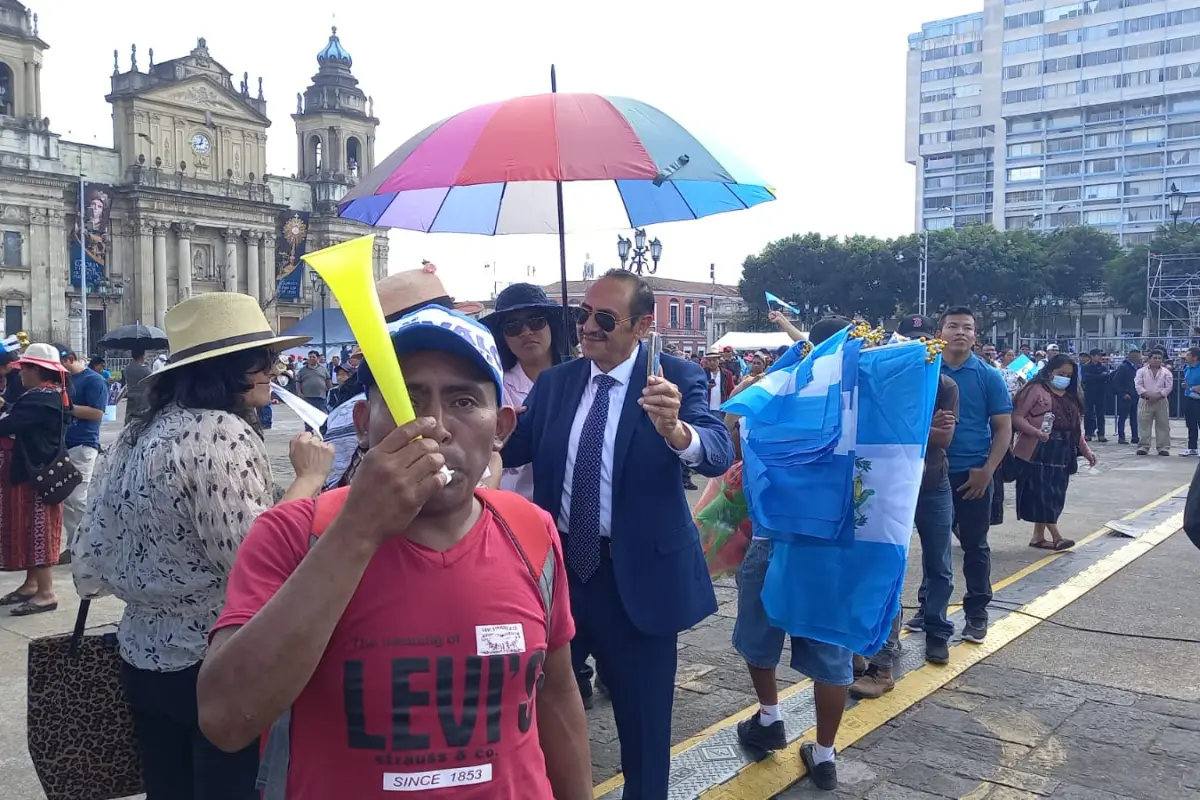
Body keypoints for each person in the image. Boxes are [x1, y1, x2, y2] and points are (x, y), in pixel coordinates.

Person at [198, 305, 593, 800]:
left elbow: (555, 694)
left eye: (465, 401)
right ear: (363, 423)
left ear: (503, 428)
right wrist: (358, 531)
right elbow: (226, 719)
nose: (434, 425)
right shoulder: (293, 534)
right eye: (407, 397)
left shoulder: (528, 529)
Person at [73, 293, 333, 800]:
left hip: (141, 652)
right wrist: (309, 480)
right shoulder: (220, 434)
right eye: (264, 360)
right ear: (231, 368)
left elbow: (94, 547)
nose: (275, 370)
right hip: (213, 658)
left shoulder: (140, 431)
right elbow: (255, 558)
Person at [502, 269, 734, 799]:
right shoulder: (558, 382)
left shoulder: (670, 378)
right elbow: (516, 447)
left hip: (638, 578)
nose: (588, 328)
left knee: (644, 729)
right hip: (559, 574)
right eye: (583, 315)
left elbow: (718, 451)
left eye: (605, 319)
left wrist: (677, 432)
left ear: (642, 325)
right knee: (536, 709)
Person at [851, 314, 959, 706]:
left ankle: (936, 635)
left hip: (930, 485)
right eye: (910, 340)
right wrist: (913, 431)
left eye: (924, 340)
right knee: (884, 570)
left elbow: (941, 439)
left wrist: (898, 432)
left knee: (939, 565)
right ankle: (880, 660)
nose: (917, 347)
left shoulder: (944, 385)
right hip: (886, 487)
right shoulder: (880, 381)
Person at [322, 267, 481, 490]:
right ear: (363, 422)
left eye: (463, 402)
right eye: (411, 402)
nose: (439, 428)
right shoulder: (355, 415)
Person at [910, 307, 1011, 645]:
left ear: (975, 335)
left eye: (967, 327)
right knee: (933, 547)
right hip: (929, 474)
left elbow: (1002, 429)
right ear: (940, 332)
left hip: (972, 473)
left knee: (975, 546)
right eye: (952, 326)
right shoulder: (926, 370)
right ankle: (928, 608)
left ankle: (976, 612)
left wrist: (988, 470)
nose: (960, 332)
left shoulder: (987, 376)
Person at [481, 283, 571, 502]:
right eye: (513, 327)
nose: (526, 332)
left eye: (536, 321)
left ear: (551, 325)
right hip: (514, 506)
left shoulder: (581, 379)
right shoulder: (493, 388)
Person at [0, 343, 70, 615]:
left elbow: (8, 425)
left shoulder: (40, 398)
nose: (19, 374)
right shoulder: (50, 394)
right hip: (39, 473)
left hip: (36, 476)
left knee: (37, 531)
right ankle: (31, 585)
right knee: (31, 530)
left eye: (24, 369)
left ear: (36, 370)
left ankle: (46, 592)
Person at [1012, 354, 1096, 551]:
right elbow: (1017, 417)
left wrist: (1086, 451)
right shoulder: (1035, 390)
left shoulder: (1071, 397)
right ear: (1050, 372)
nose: (1065, 378)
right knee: (1043, 493)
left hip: (1063, 452)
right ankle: (1057, 537)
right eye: (1061, 373)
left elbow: (1076, 430)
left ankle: (1038, 537)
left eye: (1068, 375)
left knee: (1056, 492)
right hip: (1038, 450)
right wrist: (1035, 432)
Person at [58, 346, 108, 566]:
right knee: (67, 499)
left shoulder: (93, 381)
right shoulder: (63, 380)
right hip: (64, 444)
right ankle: (74, 545)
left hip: (83, 443)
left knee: (79, 497)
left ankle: (91, 545)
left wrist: (67, 408)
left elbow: (97, 413)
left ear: (70, 359)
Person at [1135, 350, 1173, 456]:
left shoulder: (1166, 372)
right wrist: (1146, 394)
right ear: (1149, 359)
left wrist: (1159, 395)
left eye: (1159, 358)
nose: (1157, 360)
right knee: (1144, 424)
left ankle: (1163, 447)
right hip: (1145, 400)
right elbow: (1138, 384)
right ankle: (1144, 446)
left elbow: (1169, 386)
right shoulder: (1141, 371)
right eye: (1155, 358)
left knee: (1163, 424)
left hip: (1161, 400)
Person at [1081, 348, 1111, 443]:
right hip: (1089, 392)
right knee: (1088, 414)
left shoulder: (1103, 367)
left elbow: (1107, 377)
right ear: (1092, 356)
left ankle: (1101, 434)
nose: (1100, 357)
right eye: (1098, 355)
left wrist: (1098, 376)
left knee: (1100, 414)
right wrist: (1100, 376)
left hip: (1101, 393)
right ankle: (1088, 433)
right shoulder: (1086, 367)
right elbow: (1086, 378)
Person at [1112, 349, 1142, 445]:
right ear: (1132, 357)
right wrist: (1123, 393)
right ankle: (1121, 436)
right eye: (1138, 356)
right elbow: (1116, 382)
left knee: (1134, 417)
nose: (1140, 358)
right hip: (1126, 396)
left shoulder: (1138, 368)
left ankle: (1135, 436)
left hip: (1135, 395)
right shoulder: (1123, 367)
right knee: (1123, 417)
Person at [294, 350, 332, 421]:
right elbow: (298, 382)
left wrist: (331, 392)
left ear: (317, 358)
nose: (311, 358)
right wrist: (299, 392)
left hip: (321, 397)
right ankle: (309, 431)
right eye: (310, 357)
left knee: (323, 415)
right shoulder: (302, 370)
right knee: (308, 416)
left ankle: (323, 430)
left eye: (313, 357)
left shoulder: (324, 369)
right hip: (307, 397)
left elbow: (328, 381)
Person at [122, 346, 153, 424]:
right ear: (142, 356)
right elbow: (153, 379)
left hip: (131, 396)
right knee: (142, 419)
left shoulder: (127, 369)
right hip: (143, 397)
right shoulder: (145, 370)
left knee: (130, 418)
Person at [1181, 347, 1200, 457]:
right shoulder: (1187, 368)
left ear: (1195, 357)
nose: (1185, 357)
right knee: (1191, 423)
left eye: (1188, 355)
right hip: (1189, 398)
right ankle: (1192, 447)